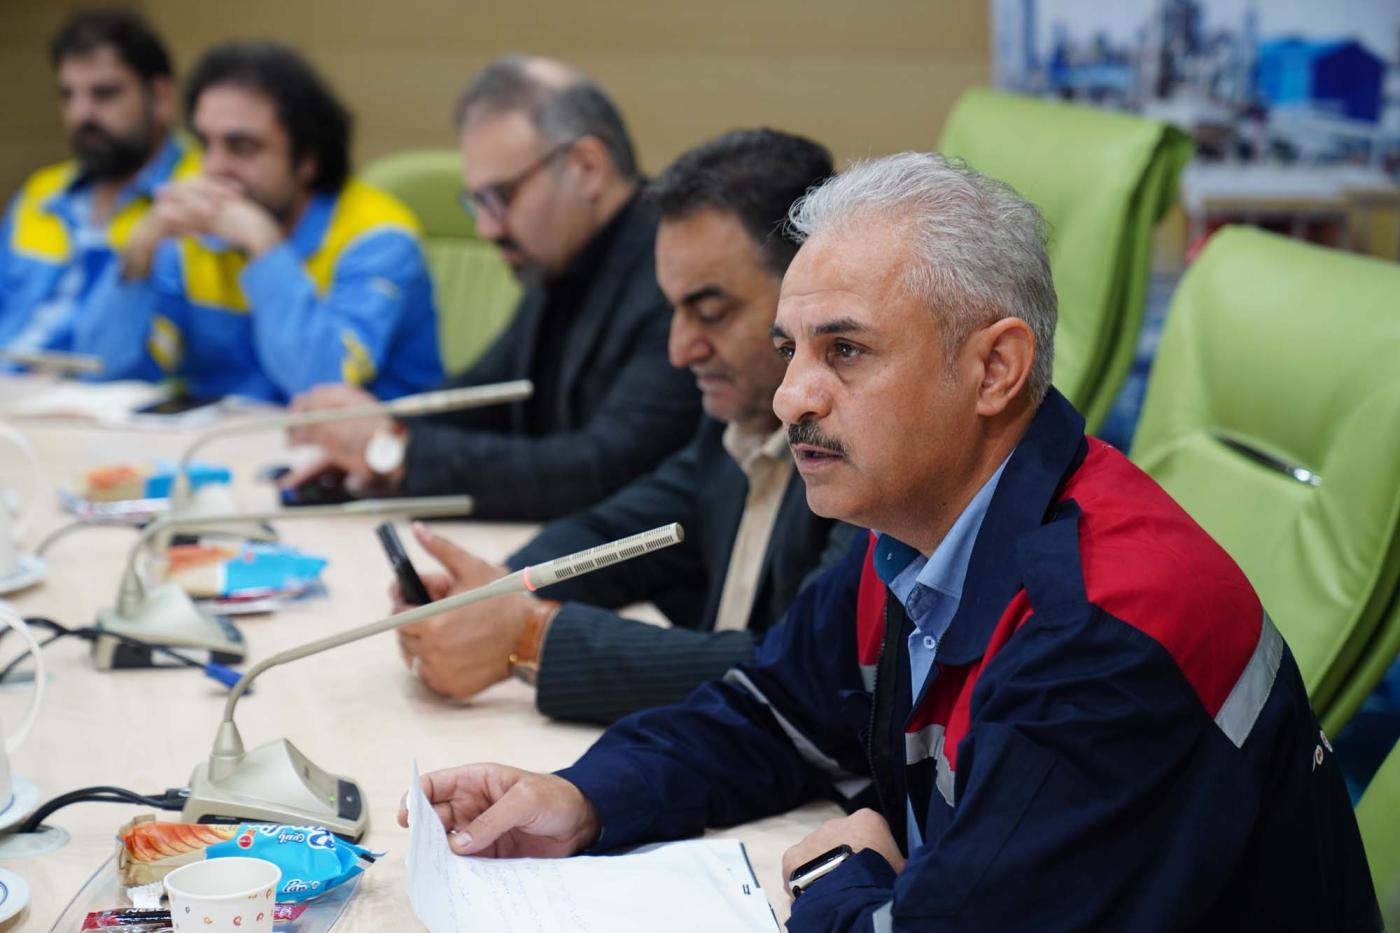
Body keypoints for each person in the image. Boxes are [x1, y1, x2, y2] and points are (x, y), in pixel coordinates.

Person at [402, 154, 1380, 931]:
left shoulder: (1098, 637)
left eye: (846, 350)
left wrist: (839, 869)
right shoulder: (918, 526)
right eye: (790, 350)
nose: (791, 396)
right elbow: (765, 711)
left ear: (994, 368)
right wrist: (580, 799)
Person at [395, 128, 857, 724]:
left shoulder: (862, 450)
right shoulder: (739, 420)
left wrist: (529, 636)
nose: (680, 350)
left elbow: (804, 674)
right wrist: (494, 591)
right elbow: (626, 529)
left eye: (711, 313)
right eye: (674, 311)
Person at [281, 55, 700, 520]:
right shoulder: (565, 253)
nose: (485, 229)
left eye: (500, 198)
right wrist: (370, 430)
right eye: (477, 202)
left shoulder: (677, 273)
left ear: (586, 167)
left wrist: (396, 452)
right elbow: (489, 393)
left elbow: (604, 469)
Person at [80, 41, 442, 402]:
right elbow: (103, 372)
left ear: (307, 159)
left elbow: (324, 390)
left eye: (242, 147)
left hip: (370, 437)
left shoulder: (378, 239)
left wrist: (266, 248)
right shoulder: (193, 233)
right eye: (205, 144)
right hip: (227, 434)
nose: (213, 168)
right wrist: (138, 254)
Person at [0, 10, 195, 362]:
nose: (81, 115)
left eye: (104, 94)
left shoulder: (196, 195)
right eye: (68, 96)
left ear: (161, 98)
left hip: (111, 389)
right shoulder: (40, 192)